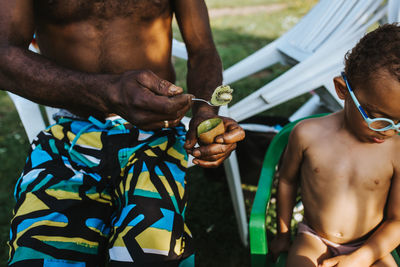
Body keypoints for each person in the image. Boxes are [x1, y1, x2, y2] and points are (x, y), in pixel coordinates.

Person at [0, 0, 245, 266]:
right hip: (70, 133)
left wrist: (206, 113)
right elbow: (4, 55)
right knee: (39, 257)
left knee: (153, 253)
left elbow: (202, 50)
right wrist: (108, 92)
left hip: (156, 133)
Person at [270, 24, 400, 267]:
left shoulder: (396, 150)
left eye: (398, 121)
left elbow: (397, 221)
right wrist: (283, 234)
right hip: (314, 238)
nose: (389, 130)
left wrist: (360, 259)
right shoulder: (308, 135)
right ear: (342, 90)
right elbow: (286, 181)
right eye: (377, 117)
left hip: (371, 245)